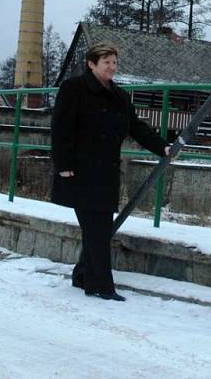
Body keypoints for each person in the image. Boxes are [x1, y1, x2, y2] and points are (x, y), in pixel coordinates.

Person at [51, 41, 170, 302]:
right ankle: (100, 285)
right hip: (80, 171)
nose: (112, 67)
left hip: (107, 172)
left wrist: (162, 147)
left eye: (114, 62)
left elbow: (136, 127)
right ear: (92, 64)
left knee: (99, 228)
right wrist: (64, 166)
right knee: (96, 228)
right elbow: (61, 128)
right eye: (107, 62)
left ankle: (83, 274)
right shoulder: (74, 89)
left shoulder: (119, 95)